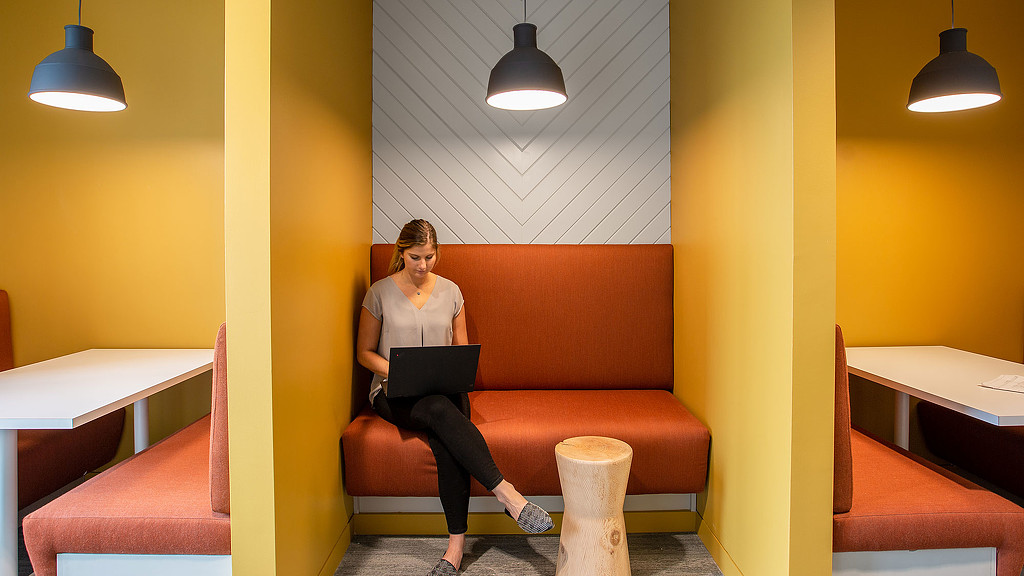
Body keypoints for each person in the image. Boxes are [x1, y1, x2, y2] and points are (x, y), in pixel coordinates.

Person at [356, 219, 553, 576]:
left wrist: (449, 374)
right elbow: (364, 353)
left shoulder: (451, 291)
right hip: (392, 391)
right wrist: (397, 372)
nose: (422, 266)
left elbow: (460, 351)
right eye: (415, 257)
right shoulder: (379, 293)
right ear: (401, 252)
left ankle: (455, 548)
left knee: (446, 436)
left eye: (430, 257)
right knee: (437, 410)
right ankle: (508, 495)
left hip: (443, 389)